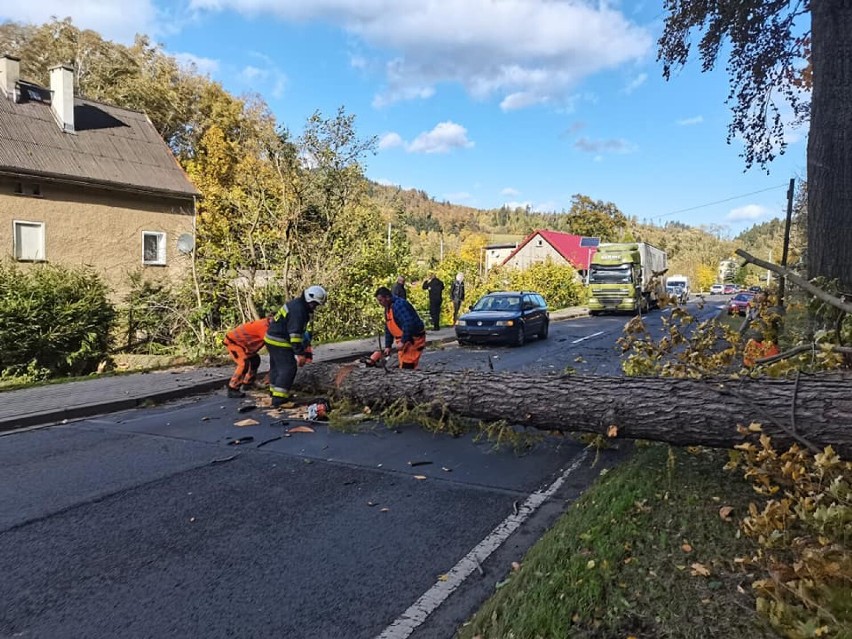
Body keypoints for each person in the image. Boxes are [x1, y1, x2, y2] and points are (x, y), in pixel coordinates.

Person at [263, 285, 327, 407]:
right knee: (288, 368)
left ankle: (275, 392)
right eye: (315, 304)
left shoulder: (297, 304)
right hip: (279, 340)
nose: (315, 307)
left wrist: (304, 349)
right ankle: (279, 399)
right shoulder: (299, 310)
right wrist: (300, 353)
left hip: (271, 337)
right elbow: (295, 335)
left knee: (276, 367)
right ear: (309, 299)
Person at [375, 286, 426, 370]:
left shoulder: (399, 305)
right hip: (404, 339)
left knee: (408, 364)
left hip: (413, 339)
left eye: (380, 300)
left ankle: (411, 380)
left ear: (387, 297)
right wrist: (388, 346)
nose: (379, 303)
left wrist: (403, 341)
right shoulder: (388, 307)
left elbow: (408, 323)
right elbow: (389, 327)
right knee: (403, 363)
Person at [223, 316, 271, 398]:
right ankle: (232, 388)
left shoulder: (266, 324)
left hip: (243, 344)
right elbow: (271, 344)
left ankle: (248, 383)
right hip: (234, 343)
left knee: (255, 360)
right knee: (244, 363)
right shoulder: (264, 327)